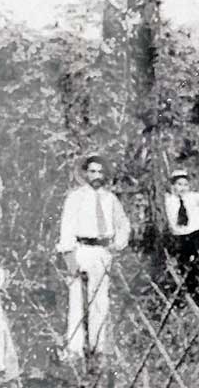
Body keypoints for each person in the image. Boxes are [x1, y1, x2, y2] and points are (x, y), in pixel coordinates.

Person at [56, 154, 131, 361]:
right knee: (77, 299)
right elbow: (67, 226)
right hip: (81, 249)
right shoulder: (75, 197)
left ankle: (99, 346)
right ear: (85, 173)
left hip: (102, 252)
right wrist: (69, 256)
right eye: (92, 171)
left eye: (100, 172)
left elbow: (122, 223)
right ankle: (75, 348)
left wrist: (118, 244)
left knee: (100, 299)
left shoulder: (110, 198)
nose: (96, 175)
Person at [165, 169, 199, 300]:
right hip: (179, 235)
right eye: (179, 184)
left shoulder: (195, 197)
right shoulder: (169, 200)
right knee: (184, 262)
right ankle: (188, 289)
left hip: (195, 233)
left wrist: (197, 218)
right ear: (173, 186)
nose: (183, 188)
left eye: (185, 185)